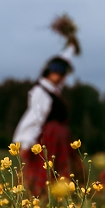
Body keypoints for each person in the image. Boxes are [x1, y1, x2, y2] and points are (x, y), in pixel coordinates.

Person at [13, 44, 81, 195]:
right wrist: (25, 144)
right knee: (45, 175)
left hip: (60, 140)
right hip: (48, 140)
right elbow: (34, 118)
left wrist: (70, 47)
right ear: (48, 71)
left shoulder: (54, 91)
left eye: (63, 72)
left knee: (63, 174)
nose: (59, 75)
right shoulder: (41, 91)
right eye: (56, 70)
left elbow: (64, 59)